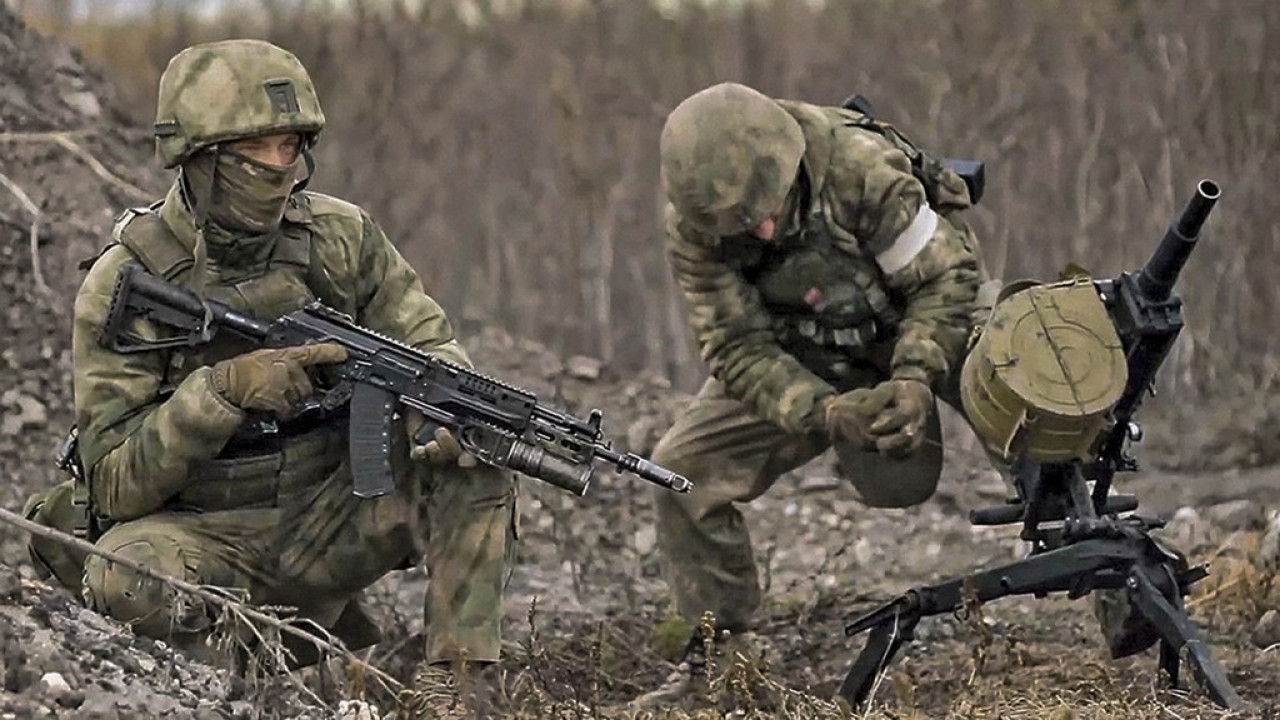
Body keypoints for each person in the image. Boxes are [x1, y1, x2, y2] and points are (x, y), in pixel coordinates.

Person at [21, 39, 513, 711]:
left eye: (292, 147)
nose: (280, 169)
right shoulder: (130, 280)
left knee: (476, 458)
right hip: (204, 533)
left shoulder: (341, 238)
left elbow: (432, 344)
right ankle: (241, 688)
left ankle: (460, 692)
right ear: (199, 158)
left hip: (330, 516)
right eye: (259, 149)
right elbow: (112, 483)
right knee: (123, 576)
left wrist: (444, 411)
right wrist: (221, 394)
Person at [635, 81, 990, 705]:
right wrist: (824, 411)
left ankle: (1116, 578)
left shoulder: (859, 167)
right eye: (746, 225)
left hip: (921, 314)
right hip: (809, 350)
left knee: (1025, 376)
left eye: (770, 208)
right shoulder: (694, 228)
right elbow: (736, 347)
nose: (766, 229)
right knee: (682, 470)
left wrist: (912, 376)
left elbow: (947, 277)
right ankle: (720, 661)